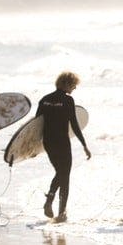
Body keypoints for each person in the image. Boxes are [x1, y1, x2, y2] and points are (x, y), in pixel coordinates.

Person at [39, 71, 91, 223]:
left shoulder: (45, 100)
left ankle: (50, 198)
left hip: (48, 142)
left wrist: (32, 148)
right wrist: (84, 145)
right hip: (62, 142)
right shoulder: (68, 100)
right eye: (74, 85)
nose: (75, 88)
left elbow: (36, 125)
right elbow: (74, 125)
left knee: (60, 172)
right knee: (65, 175)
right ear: (67, 84)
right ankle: (61, 213)